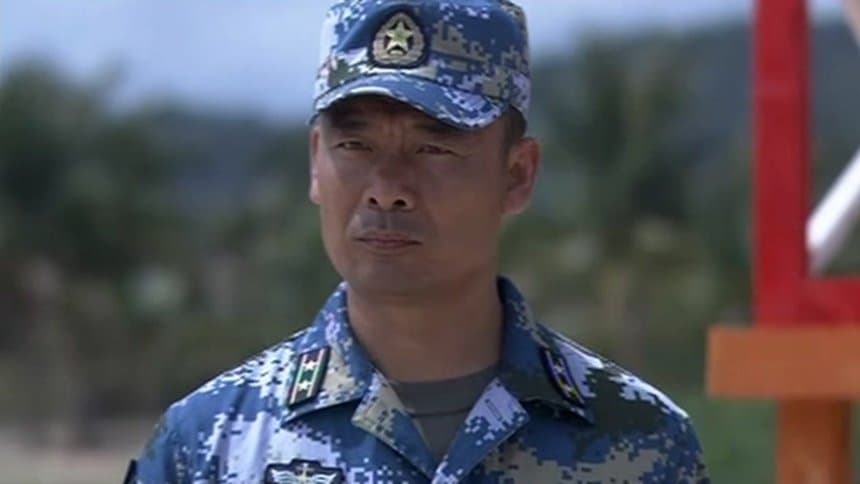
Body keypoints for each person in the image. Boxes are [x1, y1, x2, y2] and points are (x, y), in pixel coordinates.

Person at [126, 1, 709, 482]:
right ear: (315, 162)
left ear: (517, 175)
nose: (387, 190)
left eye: (434, 148)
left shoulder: (642, 445)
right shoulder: (210, 447)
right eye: (355, 146)